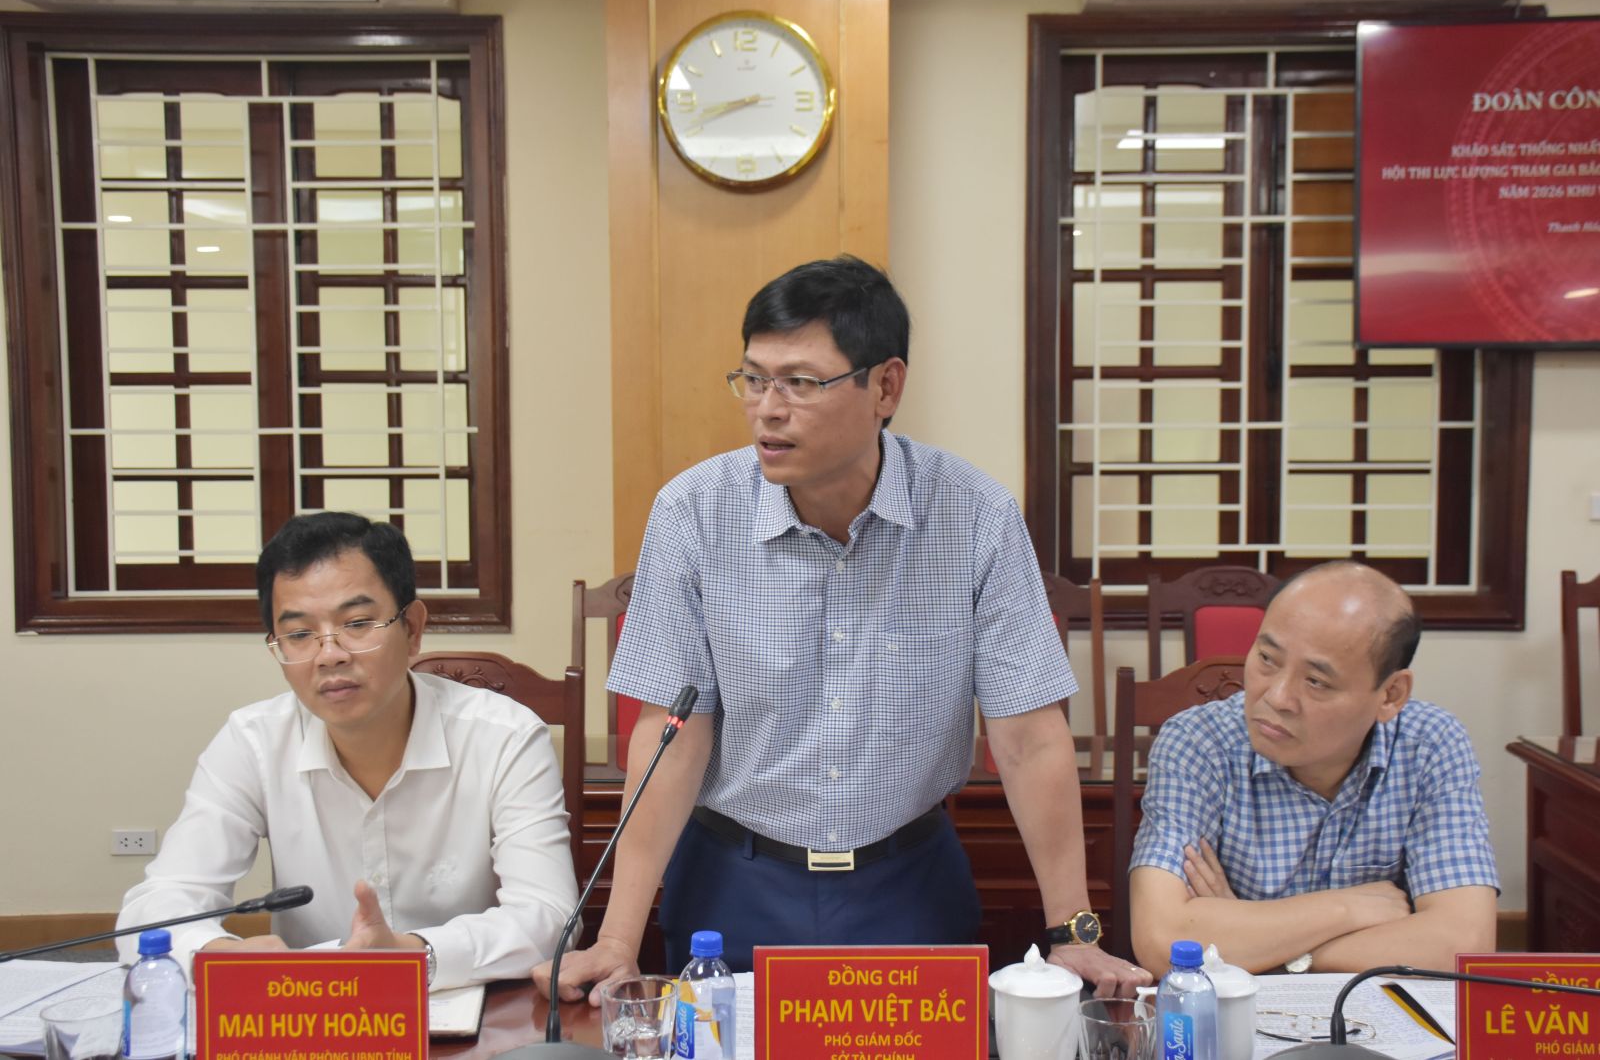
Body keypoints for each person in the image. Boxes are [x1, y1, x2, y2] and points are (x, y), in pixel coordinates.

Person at [536, 255, 1147, 1003]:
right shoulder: (692, 512)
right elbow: (674, 732)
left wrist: (1073, 932)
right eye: (753, 379)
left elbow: (1029, 736)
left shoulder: (975, 516)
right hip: (733, 883)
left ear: (885, 387)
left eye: (800, 382)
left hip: (908, 883)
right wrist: (617, 940)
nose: (767, 409)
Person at [116, 512, 578, 989]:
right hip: (313, 1014)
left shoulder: (504, 737)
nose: (329, 655)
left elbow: (550, 915)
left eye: (357, 623)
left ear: (413, 628)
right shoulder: (253, 741)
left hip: (470, 1007)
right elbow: (154, 908)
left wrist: (414, 955)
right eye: (299, 635)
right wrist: (217, 956)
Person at [1129, 560, 1499, 975]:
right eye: (1267, 658)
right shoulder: (1198, 742)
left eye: (1316, 682)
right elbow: (1162, 941)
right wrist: (1345, 909)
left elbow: (1463, 944)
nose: (1277, 697)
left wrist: (1263, 946)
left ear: (1391, 695)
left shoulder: (1430, 744)